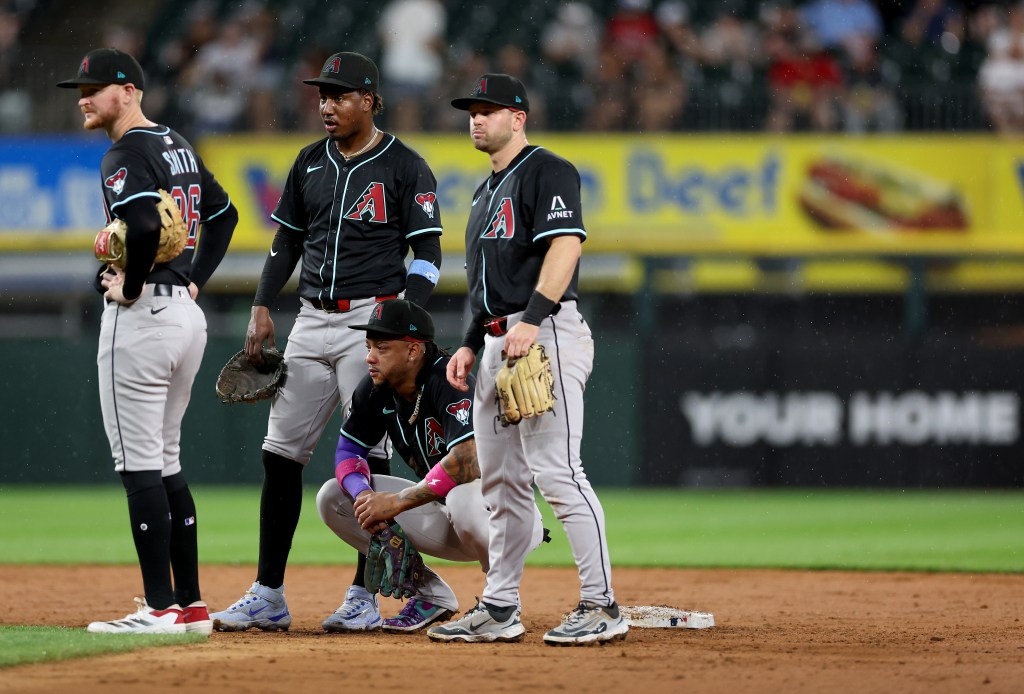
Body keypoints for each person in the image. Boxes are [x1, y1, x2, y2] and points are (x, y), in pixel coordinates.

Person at [210, 51, 443, 632]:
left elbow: (429, 253)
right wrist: (261, 304)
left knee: (369, 458)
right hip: (310, 318)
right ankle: (268, 594)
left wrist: (401, 316)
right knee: (279, 454)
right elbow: (285, 243)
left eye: (339, 95)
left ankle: (364, 596)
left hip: (371, 320)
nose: (327, 105)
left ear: (370, 100)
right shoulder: (309, 161)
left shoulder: (405, 166)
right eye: (322, 96)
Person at [427, 74, 628, 646]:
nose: (476, 118)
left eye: (488, 110)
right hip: (497, 340)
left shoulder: (547, 170)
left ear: (518, 118)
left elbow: (566, 245)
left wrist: (534, 319)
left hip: (544, 333)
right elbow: (485, 285)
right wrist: (469, 342)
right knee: (502, 484)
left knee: (558, 473)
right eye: (472, 110)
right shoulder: (483, 192)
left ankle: (602, 604)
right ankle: (499, 607)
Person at [56, 48, 237, 634]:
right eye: (80, 89)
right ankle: (192, 606)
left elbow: (140, 225)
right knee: (166, 461)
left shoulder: (125, 152)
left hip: (142, 321)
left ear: (130, 91)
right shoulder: (175, 143)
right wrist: (193, 280)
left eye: (95, 88)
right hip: (184, 317)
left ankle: (159, 607)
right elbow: (226, 215)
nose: (84, 98)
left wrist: (131, 285)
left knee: (138, 467)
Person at [314, 299, 546, 632]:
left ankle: (502, 601)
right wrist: (364, 496)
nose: (370, 357)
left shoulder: (448, 378)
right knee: (334, 498)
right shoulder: (376, 388)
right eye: (368, 346)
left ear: (413, 350)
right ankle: (429, 594)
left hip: (504, 515)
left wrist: (395, 503)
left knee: (462, 497)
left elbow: (467, 462)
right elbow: (348, 451)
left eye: (382, 347)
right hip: (445, 511)